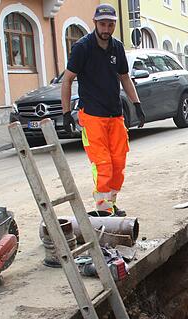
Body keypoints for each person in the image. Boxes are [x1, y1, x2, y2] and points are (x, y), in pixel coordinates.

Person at [61, 4, 146, 216]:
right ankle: (103, 209)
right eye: (102, 24)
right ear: (95, 23)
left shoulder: (117, 47)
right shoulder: (83, 47)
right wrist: (65, 113)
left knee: (118, 164)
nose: (106, 29)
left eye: (110, 24)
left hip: (115, 115)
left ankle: (111, 204)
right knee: (103, 165)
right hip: (92, 116)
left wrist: (137, 104)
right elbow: (68, 79)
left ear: (115, 24)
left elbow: (125, 77)